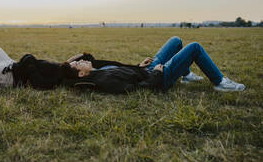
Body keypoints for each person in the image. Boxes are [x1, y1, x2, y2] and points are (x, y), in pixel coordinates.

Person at [62, 36, 245, 93]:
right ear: (81, 74)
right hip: (158, 78)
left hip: (146, 71)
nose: (83, 60)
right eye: (79, 64)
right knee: (194, 48)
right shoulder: (103, 78)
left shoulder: (100, 69)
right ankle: (220, 82)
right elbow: (136, 88)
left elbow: (127, 73)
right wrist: (157, 73)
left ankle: (187, 76)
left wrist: (138, 66)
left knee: (176, 41)